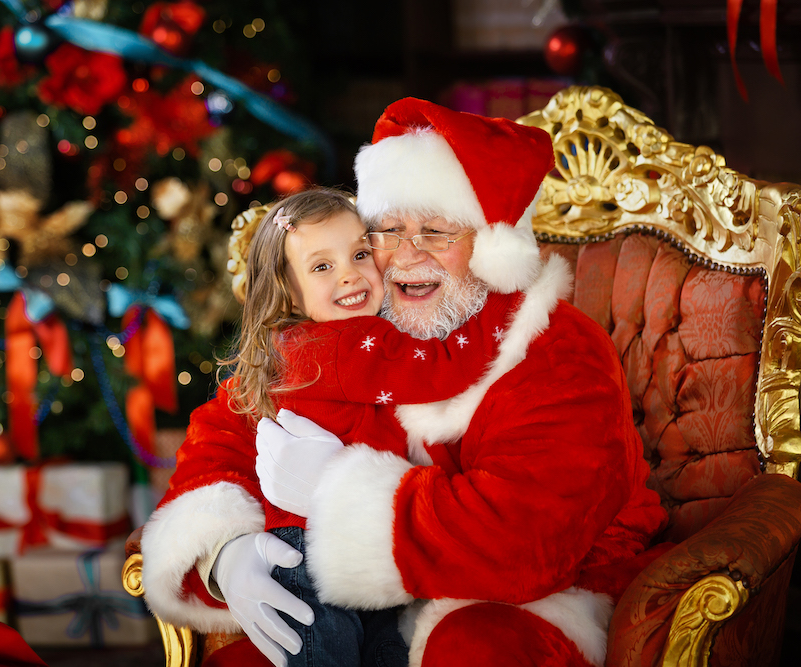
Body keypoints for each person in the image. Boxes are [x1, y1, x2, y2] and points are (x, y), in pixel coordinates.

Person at [133, 98, 669, 667]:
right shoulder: (352, 324)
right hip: (368, 604)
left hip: (542, 598)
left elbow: (524, 543)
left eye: (436, 232)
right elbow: (224, 431)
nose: (407, 255)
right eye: (386, 230)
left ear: (490, 246)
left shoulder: (557, 349)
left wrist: (334, 494)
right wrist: (225, 551)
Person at [212, 186, 525, 667]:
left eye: (360, 253)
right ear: (288, 290)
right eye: (322, 267)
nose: (350, 276)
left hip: (344, 548)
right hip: (313, 554)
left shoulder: (296, 342)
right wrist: (504, 308)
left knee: (384, 651)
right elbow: (439, 369)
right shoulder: (345, 343)